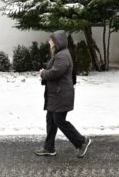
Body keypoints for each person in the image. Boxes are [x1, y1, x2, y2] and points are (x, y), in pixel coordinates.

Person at [34, 30, 92, 158]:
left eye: (50, 40)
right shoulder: (60, 54)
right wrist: (44, 66)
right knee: (51, 120)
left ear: (56, 42)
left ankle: (82, 142)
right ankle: (49, 147)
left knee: (59, 120)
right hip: (56, 95)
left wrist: (43, 73)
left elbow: (55, 73)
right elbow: (54, 68)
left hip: (61, 95)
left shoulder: (62, 56)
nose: (49, 42)